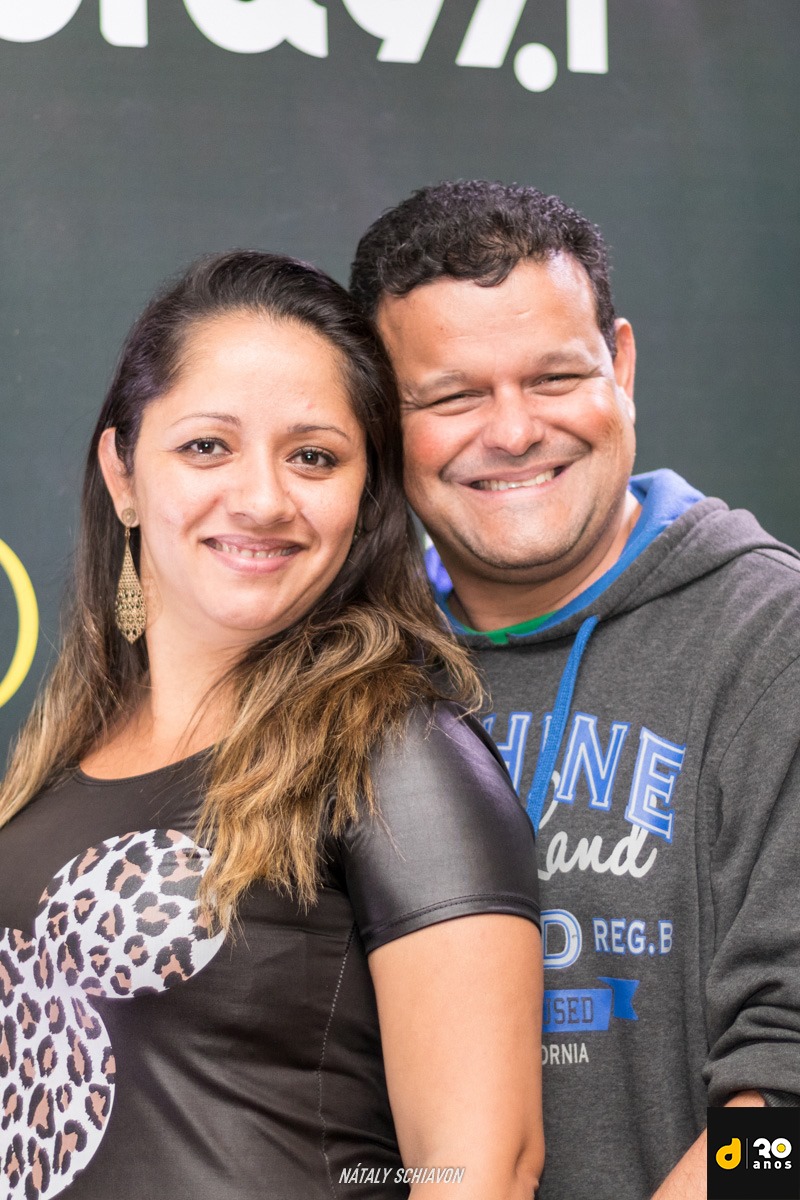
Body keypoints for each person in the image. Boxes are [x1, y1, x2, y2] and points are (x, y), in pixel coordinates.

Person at [0, 250, 544, 1200]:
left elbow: (483, 1169)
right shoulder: (55, 764)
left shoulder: (399, 753)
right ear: (123, 473)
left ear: (365, 497)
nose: (261, 499)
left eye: (314, 457)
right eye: (207, 446)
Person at [350, 181, 800, 1199]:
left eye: (554, 377)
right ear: (381, 416)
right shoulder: (352, 671)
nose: (513, 432)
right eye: (453, 397)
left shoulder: (771, 641)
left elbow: (789, 1115)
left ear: (620, 366)